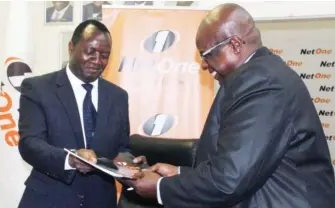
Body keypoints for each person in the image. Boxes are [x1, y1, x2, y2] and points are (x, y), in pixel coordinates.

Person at [128, 3, 335, 208]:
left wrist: (161, 188)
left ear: (235, 45)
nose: (203, 64)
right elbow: (240, 164)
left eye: (206, 54)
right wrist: (179, 174)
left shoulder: (261, 83)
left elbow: (228, 179)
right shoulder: (259, 76)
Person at [18, 20, 133, 208]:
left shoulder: (118, 96)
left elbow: (123, 148)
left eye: (104, 55)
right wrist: (70, 159)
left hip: (100, 201)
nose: (97, 61)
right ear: (71, 47)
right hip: (49, 200)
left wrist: (127, 162)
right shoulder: (38, 88)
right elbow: (30, 144)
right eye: (90, 52)